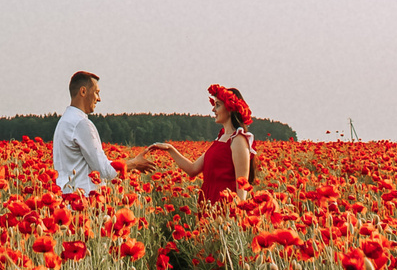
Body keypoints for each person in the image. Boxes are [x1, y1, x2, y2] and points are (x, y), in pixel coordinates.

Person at [142, 84, 255, 201]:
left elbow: (242, 184)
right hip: (209, 202)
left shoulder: (238, 140)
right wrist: (170, 149)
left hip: (226, 204)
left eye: (217, 105)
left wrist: (237, 214)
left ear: (230, 108)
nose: (213, 109)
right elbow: (192, 169)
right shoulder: (221, 139)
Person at [52, 69, 126, 198]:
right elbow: (104, 170)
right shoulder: (81, 123)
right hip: (82, 201)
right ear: (83, 91)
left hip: (66, 198)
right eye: (96, 93)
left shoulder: (64, 121)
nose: (99, 99)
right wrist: (135, 163)